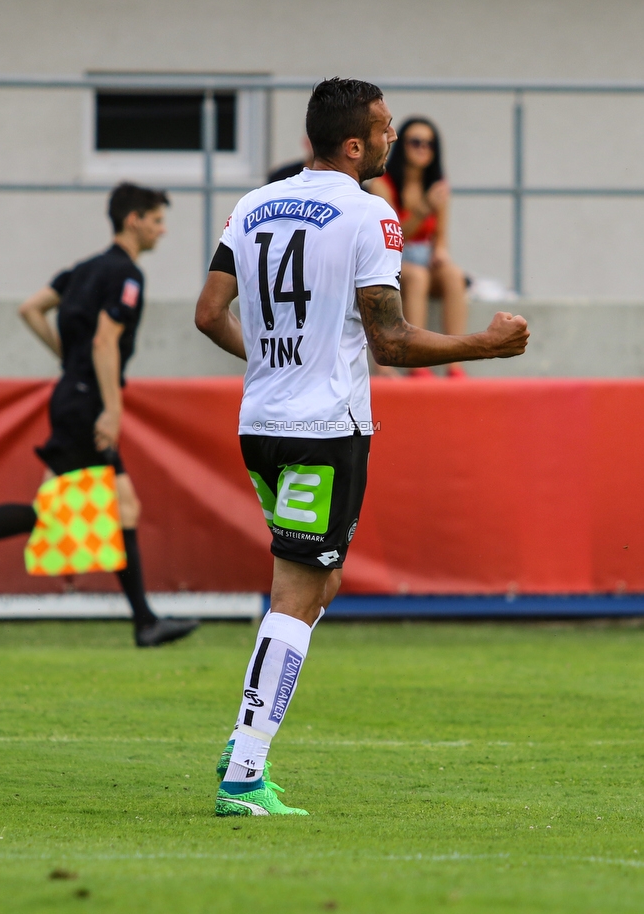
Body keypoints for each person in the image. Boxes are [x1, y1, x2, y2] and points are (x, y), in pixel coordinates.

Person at [195, 78, 529, 817]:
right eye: (381, 129)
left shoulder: (253, 204)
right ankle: (244, 770)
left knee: (316, 581)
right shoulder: (369, 215)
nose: (387, 138)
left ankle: (245, 737)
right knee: (297, 589)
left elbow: (207, 313)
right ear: (354, 143)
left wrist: (271, 364)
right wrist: (485, 344)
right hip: (321, 430)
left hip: (262, 423)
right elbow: (390, 338)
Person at [0, 182, 200, 648]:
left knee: (65, 510)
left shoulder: (84, 268)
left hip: (72, 393)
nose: (162, 231)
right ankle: (145, 622)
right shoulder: (127, 276)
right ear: (134, 220)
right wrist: (111, 406)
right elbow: (106, 341)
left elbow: (32, 309)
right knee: (103, 508)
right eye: (156, 220)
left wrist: (68, 361)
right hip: (88, 403)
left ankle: (145, 621)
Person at [368, 117, 468, 377]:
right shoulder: (383, 184)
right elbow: (394, 237)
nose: (423, 148)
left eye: (429, 144)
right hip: (393, 260)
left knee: (453, 275)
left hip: (423, 255)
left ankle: (454, 365)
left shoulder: (436, 186)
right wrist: (424, 208)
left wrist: (440, 253)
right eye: (415, 142)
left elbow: (441, 238)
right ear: (402, 146)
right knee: (418, 277)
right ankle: (417, 362)